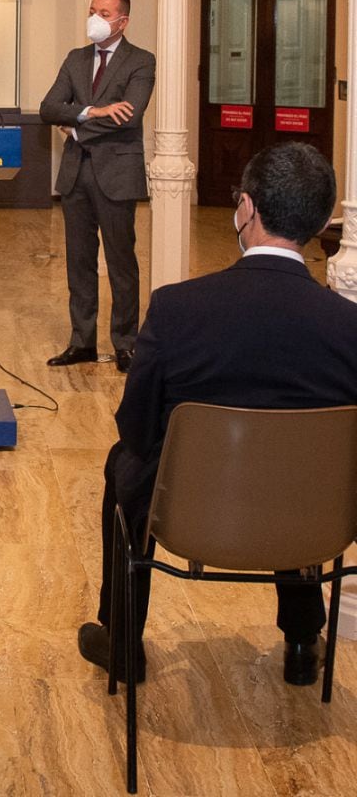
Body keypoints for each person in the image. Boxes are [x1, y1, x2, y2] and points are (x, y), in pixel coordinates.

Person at [78, 142, 357, 687]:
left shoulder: (179, 309)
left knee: (125, 464)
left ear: (246, 208)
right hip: (312, 520)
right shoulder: (348, 328)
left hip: (192, 514)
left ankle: (124, 641)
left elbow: (135, 427)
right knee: (296, 461)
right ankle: (302, 639)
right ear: (322, 220)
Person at [39, 0, 155, 374]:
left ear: (122, 20)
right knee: (79, 262)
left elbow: (129, 115)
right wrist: (93, 109)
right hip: (76, 176)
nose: (95, 18)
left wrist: (75, 129)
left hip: (117, 175)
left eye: (103, 12)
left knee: (121, 263)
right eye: (91, 11)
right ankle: (82, 341)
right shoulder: (75, 59)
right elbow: (49, 107)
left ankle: (125, 343)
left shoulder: (140, 61)